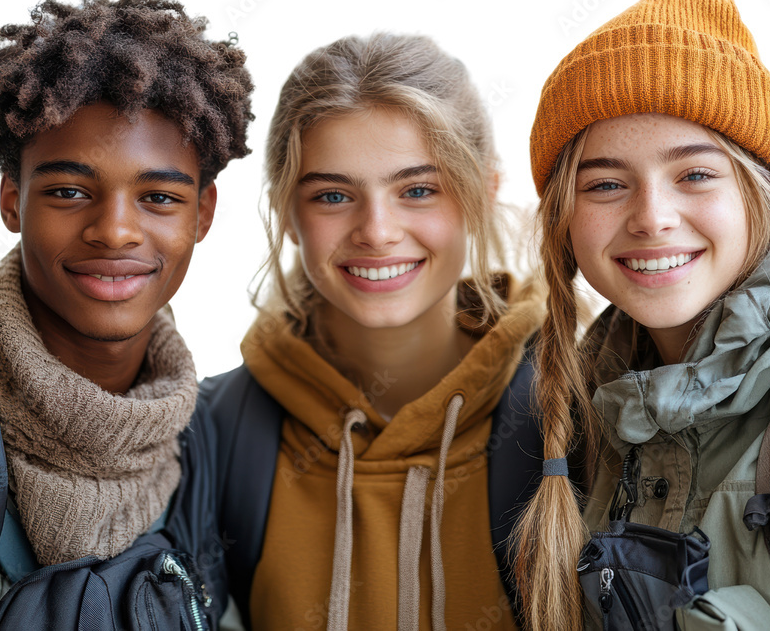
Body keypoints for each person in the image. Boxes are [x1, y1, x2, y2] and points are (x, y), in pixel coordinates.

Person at [515, 0, 770, 630]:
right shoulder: (583, 414)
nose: (652, 217)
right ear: (564, 221)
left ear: (763, 193)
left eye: (694, 174)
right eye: (605, 183)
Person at [0, 0, 252, 629]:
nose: (114, 231)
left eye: (159, 198)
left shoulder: (208, 445)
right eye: (67, 190)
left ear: (204, 214)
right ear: (11, 201)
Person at [201, 33, 577, 631]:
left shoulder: (577, 411)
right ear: (287, 213)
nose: (376, 230)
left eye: (418, 190)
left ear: (483, 192)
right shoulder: (212, 432)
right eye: (332, 195)